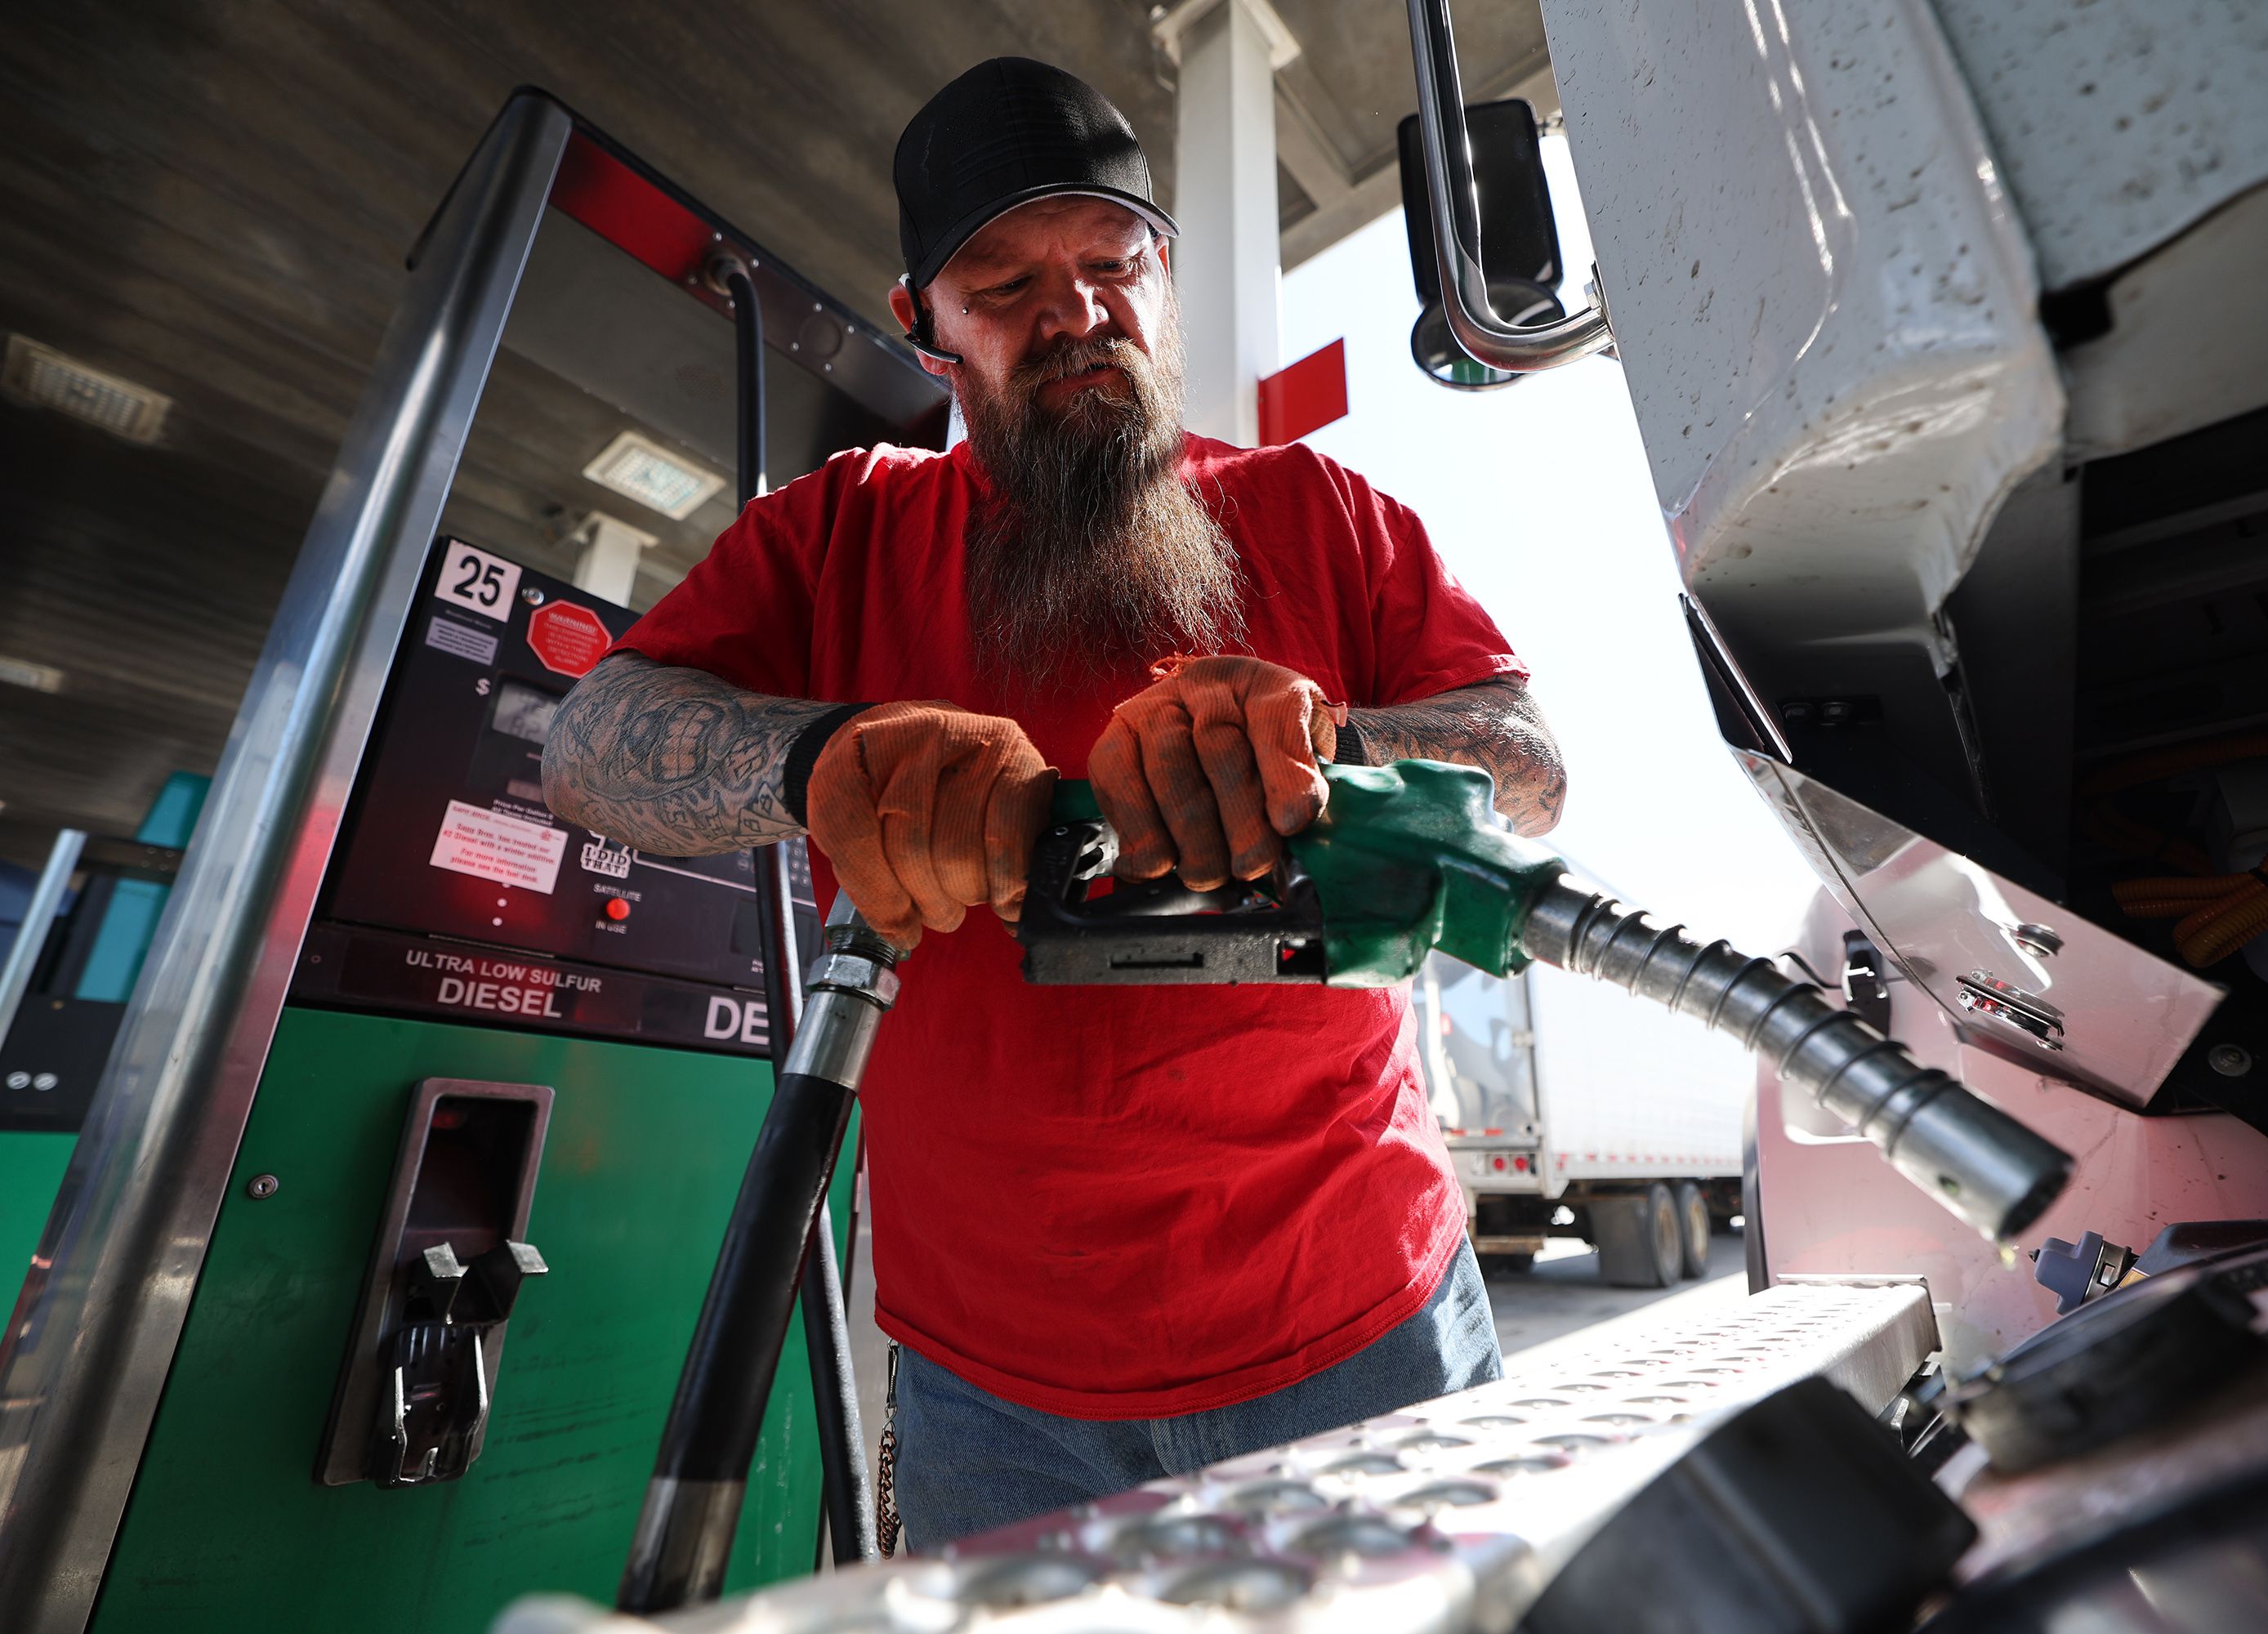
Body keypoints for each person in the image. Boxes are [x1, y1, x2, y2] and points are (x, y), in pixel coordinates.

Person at [541, 56, 1566, 1548]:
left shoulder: (1325, 513)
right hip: (992, 1394)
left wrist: (1324, 746)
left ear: (1162, 273)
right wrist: (825, 758)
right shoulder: (838, 532)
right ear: (929, 327)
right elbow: (588, 744)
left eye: (1110, 259)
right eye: (1002, 280)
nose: (1074, 311)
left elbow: (1528, 762)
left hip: (1359, 1325)